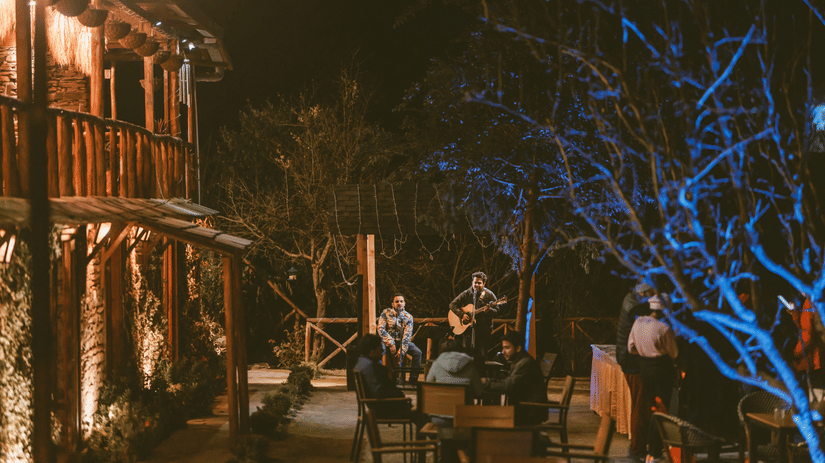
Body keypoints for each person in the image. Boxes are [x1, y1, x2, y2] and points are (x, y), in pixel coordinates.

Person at [627, 295, 679, 463]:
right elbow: (674, 353)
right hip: (662, 370)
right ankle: (655, 451)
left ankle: (646, 450)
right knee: (661, 409)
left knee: (647, 407)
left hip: (644, 368)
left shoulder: (638, 322)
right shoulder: (663, 328)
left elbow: (631, 347)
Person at [616, 280, 656, 462]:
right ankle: (637, 449)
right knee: (641, 406)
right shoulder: (635, 307)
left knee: (639, 404)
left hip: (627, 359)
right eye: (650, 293)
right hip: (633, 361)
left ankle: (639, 446)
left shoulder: (629, 298)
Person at [482, 331, 547, 426]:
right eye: (503, 348)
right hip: (524, 408)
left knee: (485, 419)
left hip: (528, 412)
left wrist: (485, 384)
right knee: (485, 416)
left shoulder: (525, 363)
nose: (503, 352)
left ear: (518, 348)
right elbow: (509, 382)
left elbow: (507, 386)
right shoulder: (519, 360)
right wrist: (488, 381)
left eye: (507, 348)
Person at [353, 333, 412, 419]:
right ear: (372, 351)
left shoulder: (361, 362)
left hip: (377, 407)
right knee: (420, 413)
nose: (382, 351)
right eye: (380, 348)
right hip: (385, 410)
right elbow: (380, 392)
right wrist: (401, 397)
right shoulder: (372, 367)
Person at [449, 272, 500, 359]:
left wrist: (489, 310)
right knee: (467, 357)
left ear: (484, 284)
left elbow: (497, 311)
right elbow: (452, 305)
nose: (476, 285)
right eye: (475, 282)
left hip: (483, 331)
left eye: (479, 283)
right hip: (468, 331)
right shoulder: (466, 293)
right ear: (472, 282)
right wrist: (462, 315)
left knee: (482, 357)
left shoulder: (489, 295)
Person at [377, 293, 422, 384]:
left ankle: (413, 379)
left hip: (401, 341)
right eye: (396, 301)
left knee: (418, 352)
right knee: (379, 351)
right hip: (387, 340)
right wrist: (391, 343)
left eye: (401, 301)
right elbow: (380, 329)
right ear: (392, 304)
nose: (399, 303)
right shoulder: (386, 313)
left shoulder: (408, 316)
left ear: (404, 303)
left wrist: (402, 350)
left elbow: (407, 335)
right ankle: (379, 378)